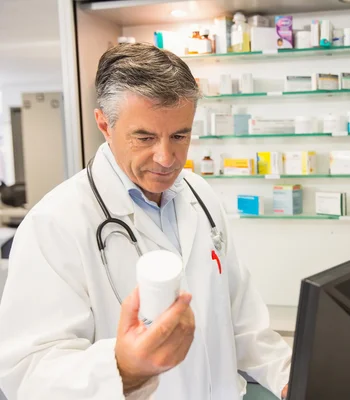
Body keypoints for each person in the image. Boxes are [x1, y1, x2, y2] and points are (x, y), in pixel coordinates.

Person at [0, 43, 292, 400]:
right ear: (104, 124)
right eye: (145, 137)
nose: (167, 158)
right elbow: (27, 373)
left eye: (180, 135)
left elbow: (242, 320)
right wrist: (122, 368)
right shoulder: (54, 223)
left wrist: (287, 377)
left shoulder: (200, 195)